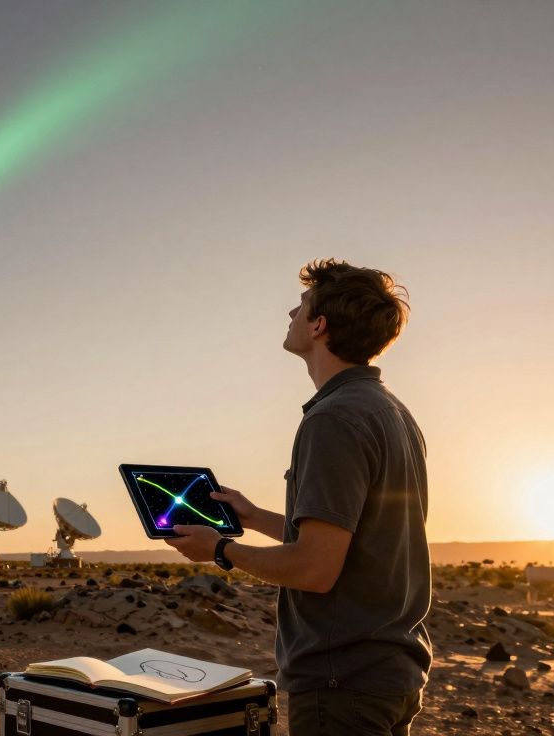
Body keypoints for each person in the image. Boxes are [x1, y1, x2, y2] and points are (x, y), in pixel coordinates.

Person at [164, 259, 430, 735]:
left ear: (319, 325)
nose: (291, 310)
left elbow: (315, 569)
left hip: (341, 683)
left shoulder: (333, 419)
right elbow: (352, 535)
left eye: (302, 304)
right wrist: (255, 516)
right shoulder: (391, 411)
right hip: (390, 674)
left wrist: (220, 550)